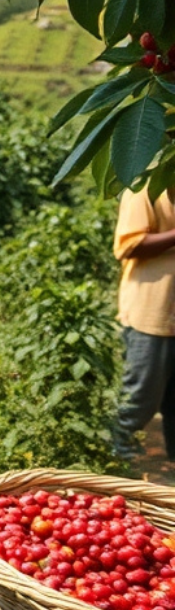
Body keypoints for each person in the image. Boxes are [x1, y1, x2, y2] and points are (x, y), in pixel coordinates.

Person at [112, 185, 175, 461]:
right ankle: (114, 462)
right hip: (153, 310)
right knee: (141, 398)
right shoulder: (146, 188)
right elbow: (128, 245)